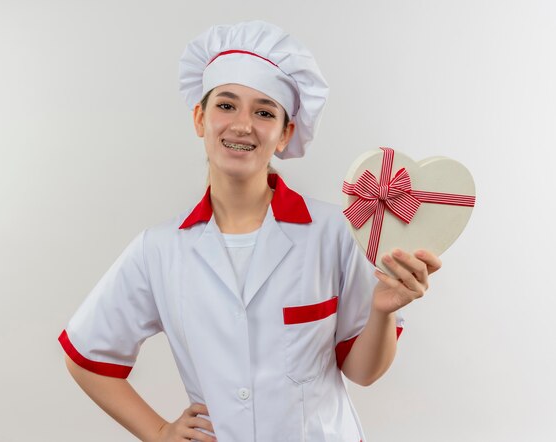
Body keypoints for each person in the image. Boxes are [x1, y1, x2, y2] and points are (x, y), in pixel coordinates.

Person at [58, 20, 441, 442]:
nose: (243, 125)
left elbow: (363, 372)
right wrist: (160, 432)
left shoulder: (335, 232)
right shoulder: (159, 250)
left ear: (285, 134)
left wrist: (382, 312)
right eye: (226, 106)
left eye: (264, 112)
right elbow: (86, 355)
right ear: (200, 118)